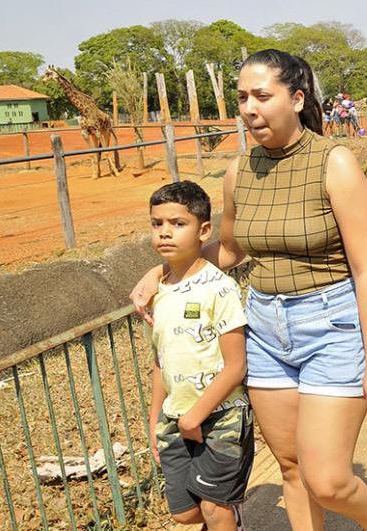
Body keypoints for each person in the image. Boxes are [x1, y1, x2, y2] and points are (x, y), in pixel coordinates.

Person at [132, 49, 367, 531]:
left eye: (261, 96)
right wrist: (161, 271)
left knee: (328, 480)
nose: (249, 108)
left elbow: (366, 271)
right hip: (264, 330)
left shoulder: (334, 163)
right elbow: (230, 251)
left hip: (332, 327)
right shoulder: (240, 170)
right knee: (292, 469)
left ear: (297, 99)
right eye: (242, 98)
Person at [146, 181, 252, 530]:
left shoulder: (219, 288)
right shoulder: (158, 292)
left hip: (222, 416)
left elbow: (236, 365)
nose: (165, 232)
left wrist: (196, 416)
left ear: (204, 231)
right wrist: (155, 418)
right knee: (184, 513)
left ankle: (226, 515)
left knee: (213, 508)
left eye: (178, 224)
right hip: (176, 415)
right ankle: (230, 515)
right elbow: (160, 360)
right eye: (157, 223)